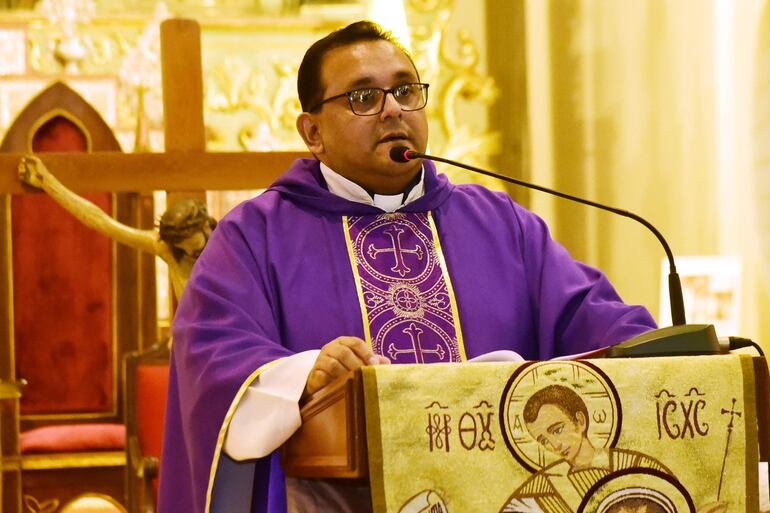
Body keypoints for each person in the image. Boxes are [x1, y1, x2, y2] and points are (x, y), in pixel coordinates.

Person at [158, 20, 657, 513]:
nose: (392, 108)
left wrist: (675, 353)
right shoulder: (255, 234)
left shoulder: (500, 223)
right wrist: (305, 373)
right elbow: (212, 354)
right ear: (313, 132)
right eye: (363, 97)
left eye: (404, 90)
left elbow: (594, 318)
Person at [17, 155, 216, 300]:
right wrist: (48, 182)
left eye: (195, 243)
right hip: (191, 340)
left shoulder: (228, 243)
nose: (191, 251)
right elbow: (100, 221)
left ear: (206, 226)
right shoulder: (169, 251)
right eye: (184, 247)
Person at [501, 385, 725, 513]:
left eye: (557, 430)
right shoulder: (544, 489)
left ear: (580, 421)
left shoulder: (640, 467)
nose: (555, 445)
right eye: (543, 440)